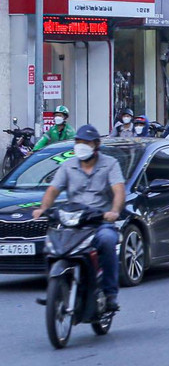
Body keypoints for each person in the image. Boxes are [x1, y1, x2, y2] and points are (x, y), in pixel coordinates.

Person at [31, 125, 125, 312]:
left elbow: (119, 191)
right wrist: (43, 208)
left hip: (99, 222)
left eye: (86, 142)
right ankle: (54, 290)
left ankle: (109, 293)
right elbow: (53, 190)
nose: (81, 146)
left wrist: (114, 211)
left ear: (96, 145)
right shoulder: (68, 165)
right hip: (73, 222)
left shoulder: (110, 164)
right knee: (51, 243)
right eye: (79, 142)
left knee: (107, 240)